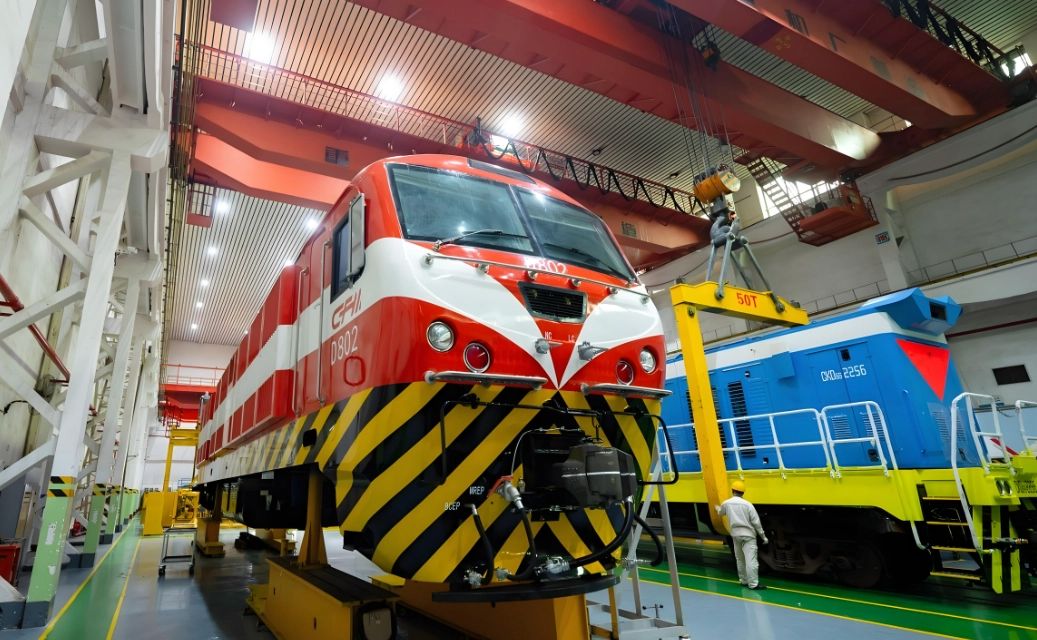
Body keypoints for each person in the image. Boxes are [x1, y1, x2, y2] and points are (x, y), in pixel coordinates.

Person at [716, 480, 768, 590]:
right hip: (748, 536)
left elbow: (721, 513)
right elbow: (756, 523)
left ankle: (743, 580)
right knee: (751, 560)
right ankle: (753, 584)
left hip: (735, 535)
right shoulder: (748, 505)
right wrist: (763, 537)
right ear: (743, 492)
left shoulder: (726, 503)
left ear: (732, 491)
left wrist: (717, 509)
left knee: (740, 559)